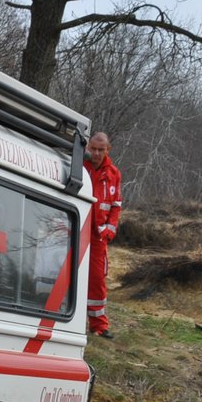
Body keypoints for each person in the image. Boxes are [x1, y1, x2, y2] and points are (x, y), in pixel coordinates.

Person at [83, 131, 122, 338]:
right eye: (93, 149)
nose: (96, 153)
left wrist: (109, 230)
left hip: (98, 237)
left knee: (97, 279)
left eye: (101, 150)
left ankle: (99, 325)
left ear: (108, 149)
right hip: (77, 229)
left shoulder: (114, 173)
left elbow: (116, 205)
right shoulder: (80, 166)